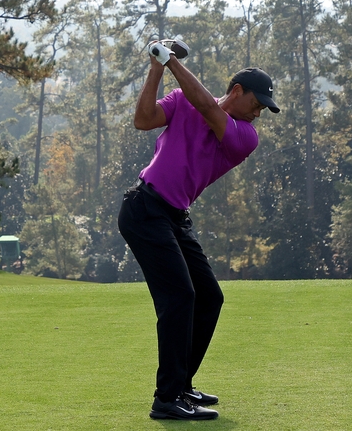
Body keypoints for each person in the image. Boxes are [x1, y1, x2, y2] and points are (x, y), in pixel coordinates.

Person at [118, 40, 279, 421]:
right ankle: (167, 398)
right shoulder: (181, 100)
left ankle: (181, 384)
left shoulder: (245, 136)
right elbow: (143, 119)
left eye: (263, 108)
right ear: (236, 91)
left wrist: (170, 60)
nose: (259, 112)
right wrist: (157, 67)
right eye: (257, 103)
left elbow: (207, 107)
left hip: (175, 216)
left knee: (208, 297)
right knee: (180, 296)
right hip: (145, 209)